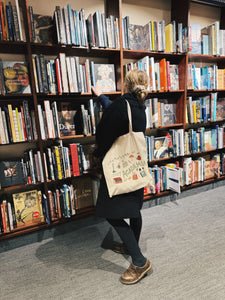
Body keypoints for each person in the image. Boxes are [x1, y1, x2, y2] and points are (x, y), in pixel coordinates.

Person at [91, 69, 152, 285]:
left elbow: (105, 132)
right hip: (135, 166)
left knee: (111, 213)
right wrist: (101, 97)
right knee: (134, 211)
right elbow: (117, 113)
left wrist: (96, 155)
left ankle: (139, 261)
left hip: (118, 168)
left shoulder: (121, 106)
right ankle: (131, 245)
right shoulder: (140, 106)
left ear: (125, 85)